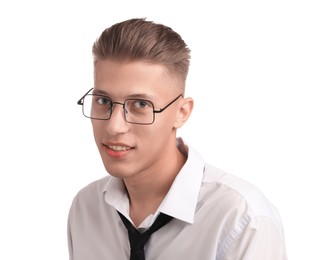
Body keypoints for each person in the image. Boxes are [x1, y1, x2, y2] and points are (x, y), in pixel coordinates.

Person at [67, 18, 288, 260]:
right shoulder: (86, 209)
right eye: (103, 101)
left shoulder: (241, 219)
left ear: (181, 113)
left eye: (141, 104)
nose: (114, 126)